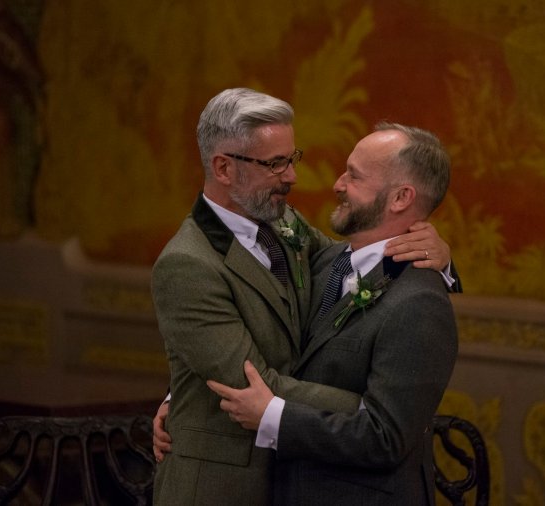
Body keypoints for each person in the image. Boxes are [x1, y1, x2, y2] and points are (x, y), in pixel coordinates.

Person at [151, 88, 453, 505]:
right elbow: (254, 385)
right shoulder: (186, 264)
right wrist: (373, 412)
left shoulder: (283, 224)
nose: (293, 177)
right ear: (223, 167)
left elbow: (354, 259)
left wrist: (442, 261)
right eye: (275, 164)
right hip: (221, 489)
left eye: (291, 159)